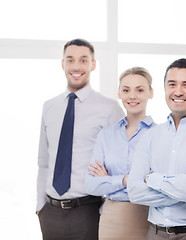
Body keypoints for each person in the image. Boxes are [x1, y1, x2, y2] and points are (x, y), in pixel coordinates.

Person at [36, 38, 124, 240]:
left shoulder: (109, 108)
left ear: (93, 64)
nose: (76, 66)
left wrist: (104, 209)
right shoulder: (49, 106)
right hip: (50, 212)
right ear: (63, 64)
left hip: (88, 211)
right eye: (70, 60)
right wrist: (40, 205)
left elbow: (121, 162)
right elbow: (43, 162)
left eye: (83, 60)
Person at [127, 58, 186, 240]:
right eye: (172, 84)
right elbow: (134, 191)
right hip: (155, 233)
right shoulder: (150, 136)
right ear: (164, 89)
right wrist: (183, 190)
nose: (178, 92)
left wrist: (151, 178)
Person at [85, 67, 155, 240]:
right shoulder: (107, 134)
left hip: (147, 216)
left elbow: (158, 183)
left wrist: (108, 179)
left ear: (150, 93)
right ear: (119, 93)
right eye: (126, 90)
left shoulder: (160, 134)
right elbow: (91, 185)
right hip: (111, 218)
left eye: (139, 90)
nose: (132, 96)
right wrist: (126, 179)